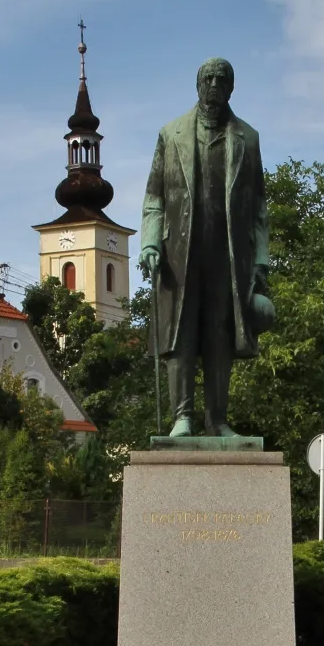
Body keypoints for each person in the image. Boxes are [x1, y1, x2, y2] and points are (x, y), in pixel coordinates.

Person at [140, 57, 272, 437]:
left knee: (220, 335)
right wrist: (150, 242)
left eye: (222, 78)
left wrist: (261, 260)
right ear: (197, 85)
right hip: (179, 256)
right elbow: (154, 197)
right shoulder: (171, 134)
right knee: (180, 334)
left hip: (228, 256)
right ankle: (183, 417)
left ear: (231, 88)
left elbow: (259, 206)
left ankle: (217, 421)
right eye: (208, 78)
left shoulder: (247, 137)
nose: (215, 84)